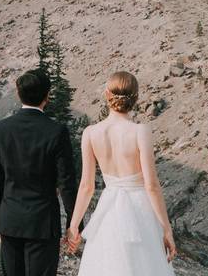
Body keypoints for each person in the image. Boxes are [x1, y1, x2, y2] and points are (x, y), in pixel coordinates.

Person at [66, 71, 177, 275]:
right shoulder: (140, 131)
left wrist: (74, 226)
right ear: (136, 97)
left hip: (108, 210)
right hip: (140, 209)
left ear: (107, 94)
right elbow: (151, 185)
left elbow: (86, 186)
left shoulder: (91, 133)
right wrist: (166, 229)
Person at [0, 68, 78, 276]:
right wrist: (74, 224)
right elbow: (66, 182)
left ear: (19, 94)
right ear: (47, 96)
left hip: (9, 221)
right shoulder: (56, 132)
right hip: (43, 223)